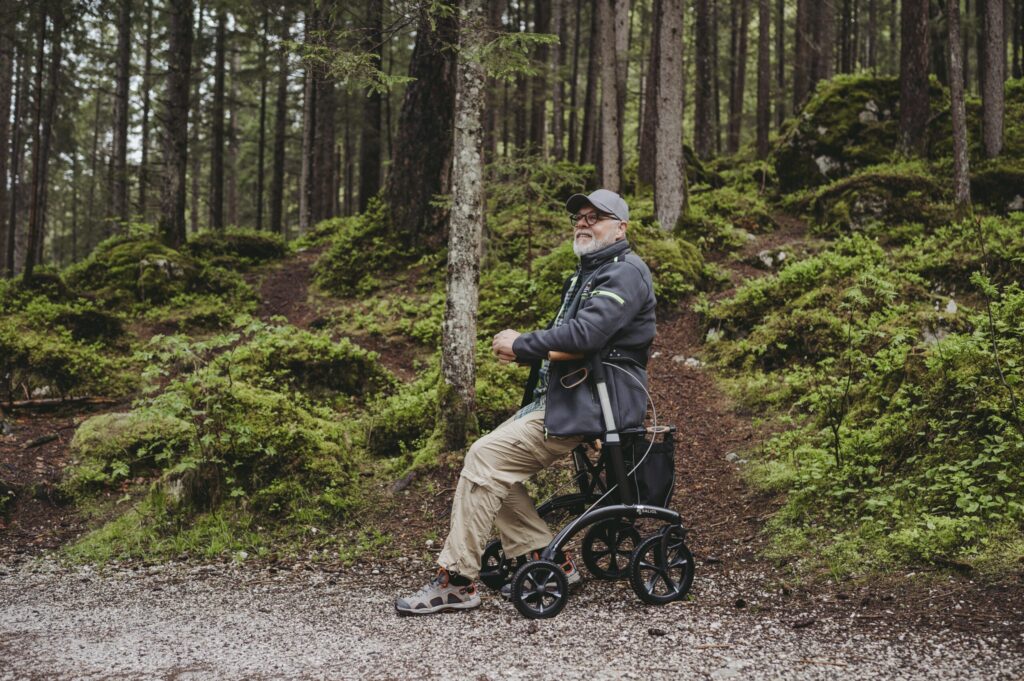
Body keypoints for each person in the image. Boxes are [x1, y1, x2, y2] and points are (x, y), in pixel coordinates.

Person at [395, 189, 656, 615]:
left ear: (621, 227)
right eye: (580, 216)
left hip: (597, 404)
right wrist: (534, 352)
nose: (584, 223)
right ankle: (541, 556)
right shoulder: (591, 272)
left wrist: (525, 345)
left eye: (597, 217)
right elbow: (579, 342)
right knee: (490, 466)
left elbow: (588, 336)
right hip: (572, 398)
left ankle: (458, 581)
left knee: (484, 457)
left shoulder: (624, 272)